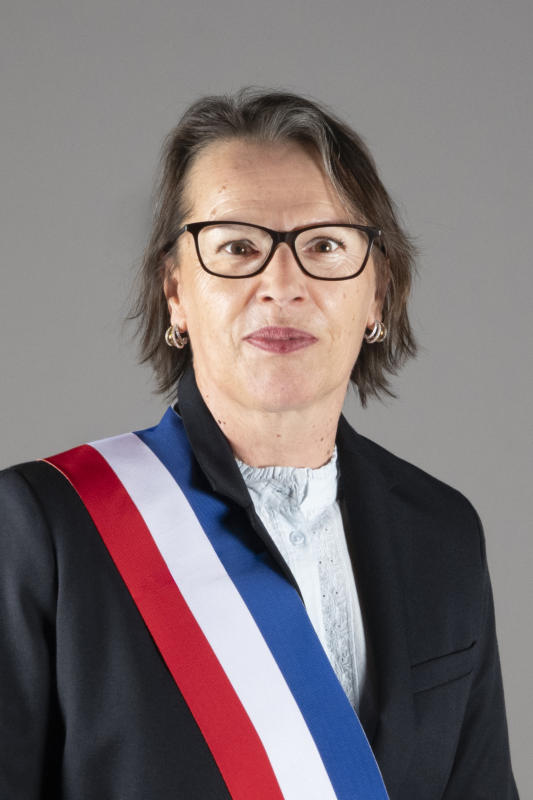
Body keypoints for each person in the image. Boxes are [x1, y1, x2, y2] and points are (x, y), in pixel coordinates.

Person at [0, 87, 518, 799]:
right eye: (238, 247)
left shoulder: (442, 531)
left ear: (377, 293)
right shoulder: (47, 528)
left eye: (325, 245)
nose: (281, 284)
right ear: (176, 292)